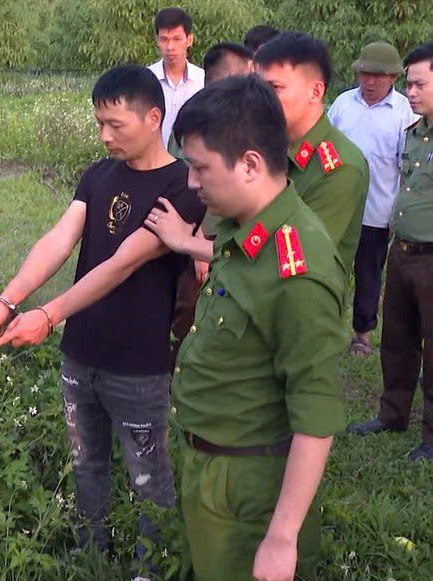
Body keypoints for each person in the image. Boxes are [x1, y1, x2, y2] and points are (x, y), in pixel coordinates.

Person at [0, 65, 206, 581]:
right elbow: (59, 239)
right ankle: (90, 549)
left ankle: (150, 569)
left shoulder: (182, 187)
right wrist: (8, 300)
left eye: (115, 125)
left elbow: (123, 263)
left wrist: (48, 315)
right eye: (99, 124)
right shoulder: (98, 176)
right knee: (86, 462)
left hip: (138, 362)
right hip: (81, 353)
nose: (104, 136)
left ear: (153, 118)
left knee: (148, 474)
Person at [159, 75, 346, 581]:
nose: (192, 183)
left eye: (200, 168)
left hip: (246, 483)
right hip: (207, 462)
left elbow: (315, 416)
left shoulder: (298, 269)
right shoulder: (245, 233)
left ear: (249, 163)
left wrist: (282, 536)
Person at [147, 33, 370, 276]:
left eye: (275, 88)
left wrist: (187, 243)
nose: (260, 99)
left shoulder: (339, 168)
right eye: (258, 86)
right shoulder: (266, 145)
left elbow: (292, 257)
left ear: (315, 92)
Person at [347, 43, 433, 461]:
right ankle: (392, 413)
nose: (410, 93)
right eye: (410, 84)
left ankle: (431, 436)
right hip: (402, 250)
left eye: (419, 85)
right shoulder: (414, 134)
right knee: (397, 339)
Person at [328, 42, 418, 356]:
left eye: (378, 76)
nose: (369, 81)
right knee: (330, 269)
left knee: (368, 274)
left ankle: (362, 335)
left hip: (377, 212)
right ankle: (325, 326)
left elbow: (407, 169)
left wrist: (399, 213)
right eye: (365, 74)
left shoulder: (404, 113)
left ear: (393, 77)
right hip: (336, 209)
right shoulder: (343, 104)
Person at [168, 41, 253, 368]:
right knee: (190, 311)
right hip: (199, 231)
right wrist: (197, 239)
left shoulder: (248, 117)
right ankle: (180, 372)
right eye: (248, 75)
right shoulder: (197, 119)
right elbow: (185, 182)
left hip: (237, 233)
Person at [148, 7, 205, 148]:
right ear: (157, 40)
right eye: (164, 40)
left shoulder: (203, 80)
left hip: (192, 158)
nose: (170, 47)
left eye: (177, 39)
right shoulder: (146, 79)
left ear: (189, 40)